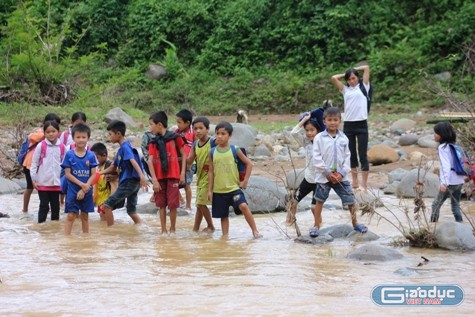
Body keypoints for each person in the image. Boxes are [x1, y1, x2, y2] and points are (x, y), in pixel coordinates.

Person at [311, 107, 368, 237]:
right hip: (324, 177)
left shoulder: (344, 138)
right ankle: (316, 225)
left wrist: (341, 173)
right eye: (329, 120)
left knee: (351, 201)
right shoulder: (319, 138)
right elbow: (317, 157)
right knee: (319, 201)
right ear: (324, 121)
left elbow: (348, 157)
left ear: (340, 121)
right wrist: (328, 173)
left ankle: (355, 224)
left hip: (341, 177)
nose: (333, 122)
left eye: (335, 120)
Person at [207, 121, 261, 239]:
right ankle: (225, 237)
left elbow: (249, 164)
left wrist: (245, 180)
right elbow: (211, 172)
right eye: (217, 134)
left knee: (243, 206)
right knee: (223, 216)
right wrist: (209, 190)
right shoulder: (212, 152)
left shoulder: (235, 149)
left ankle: (255, 231)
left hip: (234, 188)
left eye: (223, 134)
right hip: (219, 191)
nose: (220, 136)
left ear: (230, 136)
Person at [100, 120, 148, 226]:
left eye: (110, 134)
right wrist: (100, 173)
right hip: (133, 184)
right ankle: (142, 227)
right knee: (131, 211)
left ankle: (110, 231)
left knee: (107, 205)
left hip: (128, 183)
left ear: (118, 134)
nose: (109, 137)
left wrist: (142, 176)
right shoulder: (121, 149)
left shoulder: (126, 147)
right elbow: (113, 167)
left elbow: (132, 160)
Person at [331, 64, 371, 190]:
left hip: (362, 124)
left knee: (362, 154)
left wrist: (353, 70)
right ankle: (355, 182)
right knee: (351, 154)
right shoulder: (345, 90)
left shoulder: (364, 86)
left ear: (358, 78)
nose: (352, 81)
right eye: (349, 79)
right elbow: (333, 78)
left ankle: (364, 183)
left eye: (354, 78)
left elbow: (366, 68)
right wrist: (346, 73)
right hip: (349, 125)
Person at [147, 111, 186, 234]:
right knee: (161, 204)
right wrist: (154, 180)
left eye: (151, 124)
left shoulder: (175, 138)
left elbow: (184, 155)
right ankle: (163, 230)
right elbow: (150, 161)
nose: (150, 127)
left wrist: (183, 173)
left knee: (173, 204)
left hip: (173, 175)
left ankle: (173, 229)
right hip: (159, 177)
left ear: (159, 125)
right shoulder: (153, 142)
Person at [287, 108, 325, 225]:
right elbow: (294, 133)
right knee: (293, 200)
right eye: (307, 130)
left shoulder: (324, 141)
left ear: (318, 130)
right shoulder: (306, 142)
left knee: (314, 208)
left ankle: (317, 224)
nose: (309, 133)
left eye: (312, 130)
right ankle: (289, 222)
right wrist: (304, 120)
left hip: (319, 181)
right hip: (308, 179)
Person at [21, 113, 61, 214]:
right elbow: (31, 137)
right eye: (49, 129)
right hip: (30, 164)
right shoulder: (40, 133)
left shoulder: (56, 140)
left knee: (44, 187)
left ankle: (46, 208)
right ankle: (25, 209)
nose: (51, 132)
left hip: (42, 165)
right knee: (30, 187)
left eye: (55, 127)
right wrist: (47, 133)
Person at [62, 123, 98, 234]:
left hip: (87, 190)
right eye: (78, 137)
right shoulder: (69, 155)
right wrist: (81, 185)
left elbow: (93, 174)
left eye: (83, 137)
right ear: (73, 138)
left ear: (88, 138)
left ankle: (86, 239)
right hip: (72, 190)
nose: (81, 140)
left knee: (85, 216)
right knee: (71, 215)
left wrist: (84, 188)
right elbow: (67, 174)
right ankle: (66, 239)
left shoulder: (91, 155)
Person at [29, 120, 64, 223]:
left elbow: (66, 163)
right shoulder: (41, 146)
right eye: (48, 132)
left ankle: (54, 228)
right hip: (43, 182)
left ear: (58, 132)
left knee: (55, 206)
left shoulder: (62, 147)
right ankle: (41, 226)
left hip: (56, 182)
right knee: (44, 205)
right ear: (44, 133)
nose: (51, 134)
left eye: (53, 131)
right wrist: (33, 178)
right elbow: (34, 163)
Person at [430, 122, 465, 223]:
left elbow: (446, 166)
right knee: (455, 206)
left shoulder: (443, 148)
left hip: (450, 182)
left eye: (436, 133)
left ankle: (433, 227)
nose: (434, 135)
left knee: (435, 205)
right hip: (459, 180)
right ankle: (461, 226)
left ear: (442, 134)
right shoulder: (454, 146)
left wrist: (444, 183)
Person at [186, 116, 215, 233]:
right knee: (199, 205)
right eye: (195, 128)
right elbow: (189, 160)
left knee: (201, 204)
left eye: (201, 128)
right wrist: (179, 155)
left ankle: (211, 226)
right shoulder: (195, 144)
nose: (198, 131)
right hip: (200, 177)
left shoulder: (213, 142)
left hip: (210, 178)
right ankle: (195, 229)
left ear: (207, 129)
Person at [91, 142, 122, 221]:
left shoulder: (110, 165)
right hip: (100, 197)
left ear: (104, 155)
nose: (95, 160)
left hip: (108, 195)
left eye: (97, 157)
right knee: (102, 216)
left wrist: (114, 176)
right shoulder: (97, 167)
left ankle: (109, 229)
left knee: (104, 214)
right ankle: (106, 230)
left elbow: (121, 172)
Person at [175, 109, 195, 213]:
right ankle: (180, 200)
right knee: (175, 182)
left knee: (187, 184)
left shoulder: (192, 133)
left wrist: (192, 163)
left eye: (179, 122)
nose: (177, 124)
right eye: (177, 122)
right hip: (178, 162)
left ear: (187, 123)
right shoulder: (176, 133)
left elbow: (196, 148)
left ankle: (188, 205)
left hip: (189, 163)